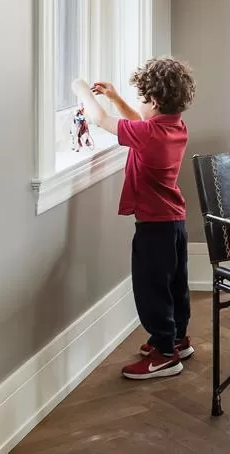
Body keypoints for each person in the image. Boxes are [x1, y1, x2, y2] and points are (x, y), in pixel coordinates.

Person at [72, 56, 197, 382]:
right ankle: (177, 339)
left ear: (154, 101)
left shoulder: (150, 135)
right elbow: (140, 123)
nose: (139, 105)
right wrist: (116, 97)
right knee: (175, 284)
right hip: (175, 222)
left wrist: (81, 90)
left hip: (154, 226)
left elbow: (100, 119)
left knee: (151, 288)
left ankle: (165, 355)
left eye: (142, 99)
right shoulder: (174, 126)